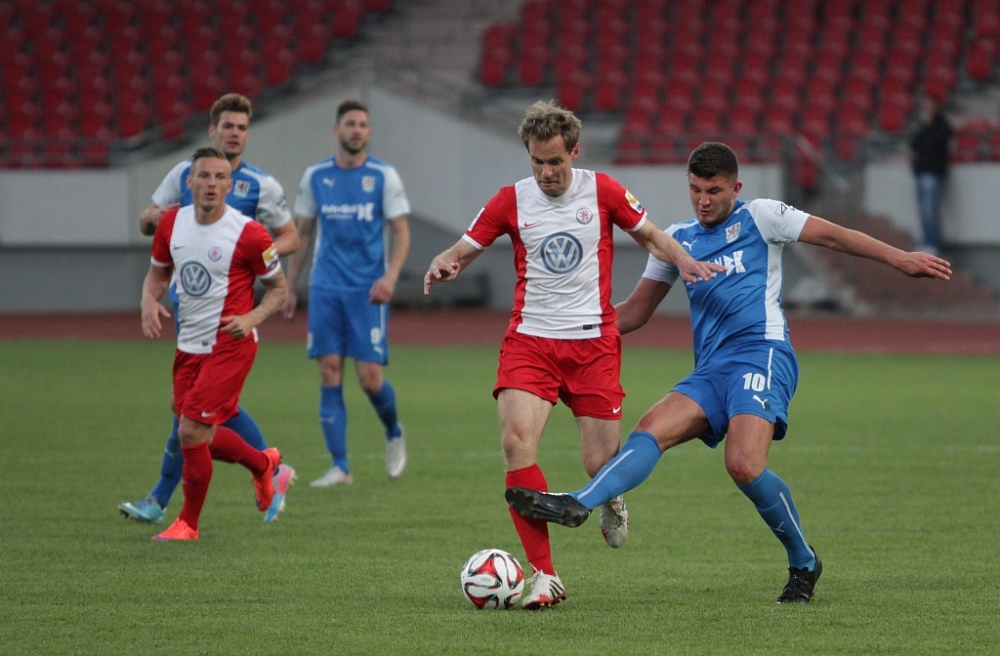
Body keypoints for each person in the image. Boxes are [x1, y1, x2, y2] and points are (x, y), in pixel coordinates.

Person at [506, 141, 953, 603]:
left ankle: (803, 561)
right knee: (650, 429)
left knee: (743, 465)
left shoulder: (762, 216)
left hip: (763, 353)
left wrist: (902, 259)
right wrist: (567, 329)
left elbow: (834, 237)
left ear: (735, 188)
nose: (703, 201)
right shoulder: (676, 240)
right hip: (712, 369)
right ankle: (579, 502)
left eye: (714, 191)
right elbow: (636, 311)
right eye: (695, 190)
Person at [424, 102, 723, 609]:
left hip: (593, 346)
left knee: (598, 464)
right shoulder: (510, 200)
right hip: (531, 341)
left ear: (575, 153)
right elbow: (463, 248)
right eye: (537, 162)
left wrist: (685, 260)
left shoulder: (603, 191)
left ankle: (611, 495)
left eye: (555, 162)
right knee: (516, 443)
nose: (546, 173)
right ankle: (545, 574)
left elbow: (652, 237)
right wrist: (444, 261)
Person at [120, 93, 297, 524]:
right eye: (228, 126)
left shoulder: (261, 186)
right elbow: (148, 220)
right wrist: (155, 221)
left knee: (191, 419)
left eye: (242, 128)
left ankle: (163, 501)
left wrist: (250, 258)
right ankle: (269, 465)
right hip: (188, 313)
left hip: (230, 318)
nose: (235, 134)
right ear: (213, 130)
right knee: (200, 411)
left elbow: (289, 237)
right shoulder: (186, 173)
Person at [282, 99, 411, 487]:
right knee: (328, 369)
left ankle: (393, 430)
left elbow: (401, 231)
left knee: (370, 377)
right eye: (350, 124)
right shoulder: (316, 176)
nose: (356, 130)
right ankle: (340, 467)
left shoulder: (383, 176)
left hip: (366, 290)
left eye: (362, 124)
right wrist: (290, 285)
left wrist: (390, 277)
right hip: (326, 287)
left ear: (368, 132)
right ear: (336, 130)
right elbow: (303, 233)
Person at [909, 93, 953, 255]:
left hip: (933, 172)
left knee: (930, 209)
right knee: (923, 210)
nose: (926, 107)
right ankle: (927, 241)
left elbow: (934, 143)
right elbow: (914, 143)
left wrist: (927, 127)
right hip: (921, 172)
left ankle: (933, 243)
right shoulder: (921, 125)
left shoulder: (942, 125)